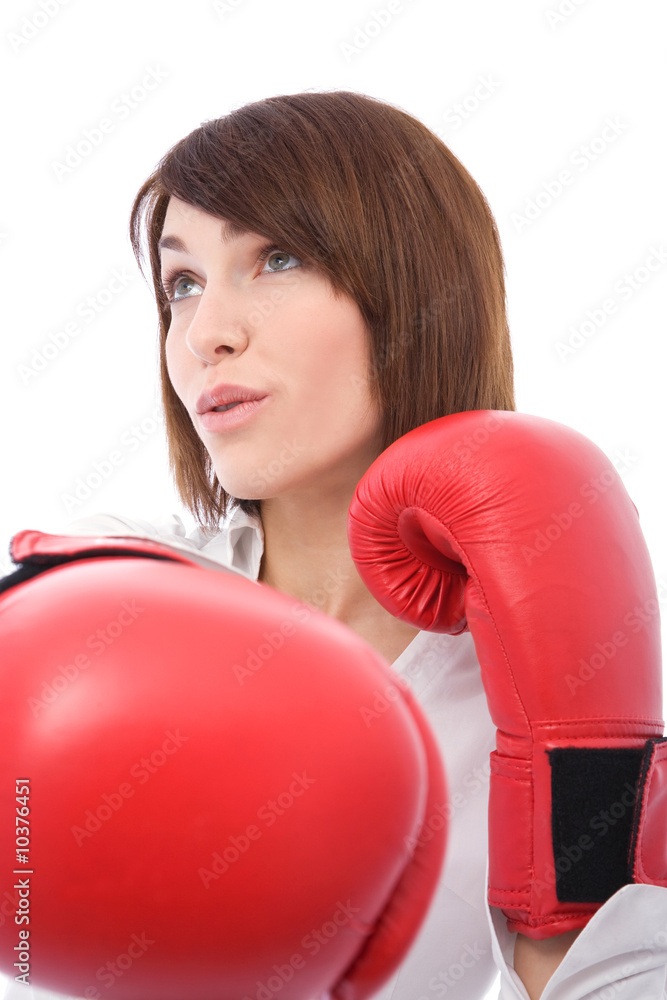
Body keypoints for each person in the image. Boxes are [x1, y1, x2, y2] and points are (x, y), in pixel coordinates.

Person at [56, 90, 667, 999]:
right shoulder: (112, 591)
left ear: (414, 288)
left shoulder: (509, 673)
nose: (205, 335)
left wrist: (571, 884)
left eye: (277, 258)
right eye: (181, 284)